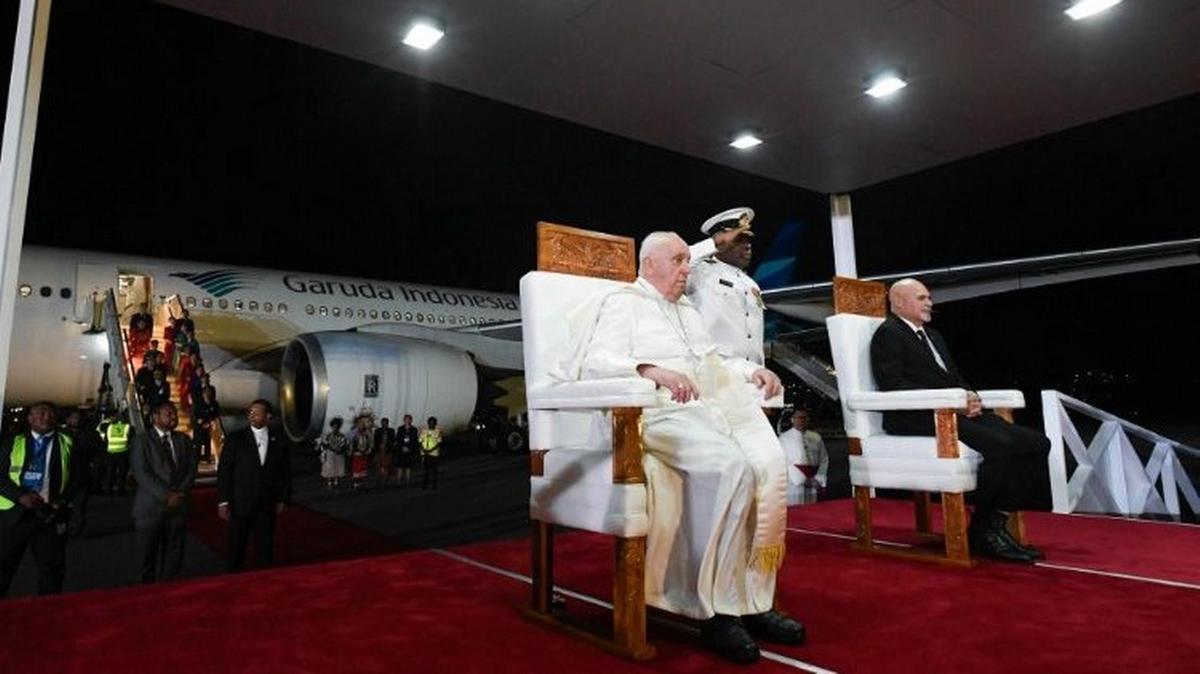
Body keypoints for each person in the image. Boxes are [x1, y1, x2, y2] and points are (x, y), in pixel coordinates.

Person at [556, 231, 803, 663]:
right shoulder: (623, 304)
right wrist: (653, 370)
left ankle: (751, 601)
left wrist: (750, 373)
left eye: (688, 260)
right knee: (732, 467)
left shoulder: (685, 309)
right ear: (649, 265)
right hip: (653, 415)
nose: (688, 268)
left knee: (766, 464)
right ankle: (714, 612)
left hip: (703, 414)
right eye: (679, 260)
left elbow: (711, 361)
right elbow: (596, 361)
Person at [870, 278, 1050, 563]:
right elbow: (892, 384)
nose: (930, 302)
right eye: (921, 298)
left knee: (1037, 443)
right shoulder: (888, 334)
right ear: (899, 303)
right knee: (1001, 446)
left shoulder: (934, 336)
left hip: (953, 410)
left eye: (929, 297)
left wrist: (970, 396)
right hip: (916, 416)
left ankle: (991, 523)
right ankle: (985, 533)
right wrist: (952, 398)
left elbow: (953, 378)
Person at [0, 402, 85, 598]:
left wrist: (62, 501)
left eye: (50, 414)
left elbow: (80, 479)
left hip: (50, 515)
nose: (45, 417)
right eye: (40, 413)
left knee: (52, 571)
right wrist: (20, 496)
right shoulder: (12, 442)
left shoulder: (69, 442)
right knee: (3, 565)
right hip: (15, 516)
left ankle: (49, 614)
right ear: (29, 418)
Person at [217, 400, 292, 572]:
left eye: (257, 413)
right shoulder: (235, 439)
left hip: (266, 504)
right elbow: (224, 472)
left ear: (268, 416)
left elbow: (285, 472)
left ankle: (263, 581)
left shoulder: (279, 439)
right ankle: (234, 580)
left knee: (264, 548)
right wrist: (223, 501)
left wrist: (283, 498)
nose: (252, 416)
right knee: (236, 547)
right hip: (240, 503)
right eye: (250, 412)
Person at [686, 207, 766, 365]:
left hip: (753, 374)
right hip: (716, 369)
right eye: (738, 239)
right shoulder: (699, 271)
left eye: (748, 240)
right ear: (720, 242)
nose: (747, 245)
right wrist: (713, 243)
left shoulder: (751, 284)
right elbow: (672, 262)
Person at [130, 401, 197, 583]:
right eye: (168, 413)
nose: (174, 417)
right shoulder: (142, 441)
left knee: (173, 557)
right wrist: (166, 495)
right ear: (155, 418)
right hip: (149, 509)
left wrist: (180, 492)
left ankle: (169, 592)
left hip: (177, 508)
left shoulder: (183, 440)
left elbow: (191, 469)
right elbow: (141, 472)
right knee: (147, 558)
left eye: (174, 413)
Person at [778, 409, 829, 505]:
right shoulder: (784, 438)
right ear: (792, 419)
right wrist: (803, 479)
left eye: (805, 418)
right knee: (796, 510)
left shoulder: (816, 437)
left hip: (814, 480)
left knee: (812, 510)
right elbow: (783, 461)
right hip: (794, 481)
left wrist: (819, 477)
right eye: (799, 417)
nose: (802, 420)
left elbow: (824, 459)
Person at [102, 412, 131, 495]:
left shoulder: (110, 427)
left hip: (111, 452)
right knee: (122, 472)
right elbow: (131, 439)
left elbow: (106, 439)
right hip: (123, 452)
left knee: (110, 472)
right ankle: (120, 490)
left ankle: (108, 489)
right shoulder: (127, 427)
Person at [318, 417, 348, 490]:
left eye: (337, 426)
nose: (335, 428)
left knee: (337, 467)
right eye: (334, 426)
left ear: (339, 427)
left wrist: (340, 450)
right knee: (329, 468)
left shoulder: (342, 436)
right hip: (330, 453)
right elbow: (325, 444)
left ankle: (336, 481)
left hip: (338, 454)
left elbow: (344, 445)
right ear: (332, 426)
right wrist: (331, 449)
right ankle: (329, 482)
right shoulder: (328, 435)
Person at [348, 415, 373, 489]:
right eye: (360, 423)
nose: (361, 425)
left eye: (362, 423)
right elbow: (352, 443)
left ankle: (360, 483)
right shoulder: (354, 432)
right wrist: (356, 450)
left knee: (362, 468)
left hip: (364, 454)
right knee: (357, 469)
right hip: (357, 453)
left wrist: (367, 450)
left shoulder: (367, 433)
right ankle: (356, 483)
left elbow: (369, 443)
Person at [394, 414, 419, 485]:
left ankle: (407, 481)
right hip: (401, 451)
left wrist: (409, 448)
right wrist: (402, 447)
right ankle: (398, 481)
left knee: (408, 467)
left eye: (409, 419)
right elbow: (397, 439)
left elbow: (414, 441)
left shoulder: (414, 429)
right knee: (400, 466)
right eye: (406, 419)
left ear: (411, 420)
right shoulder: (400, 429)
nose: (407, 421)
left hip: (409, 451)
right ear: (404, 420)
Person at [419, 417, 442, 491]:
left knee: (434, 471)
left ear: (435, 423)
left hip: (434, 454)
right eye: (430, 422)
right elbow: (420, 441)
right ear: (428, 423)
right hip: (425, 453)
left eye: (433, 422)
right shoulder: (424, 431)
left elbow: (439, 443)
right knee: (426, 471)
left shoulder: (437, 432)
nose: (431, 424)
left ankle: (434, 485)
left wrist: (431, 450)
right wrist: (423, 449)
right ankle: (425, 485)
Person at [374, 417, 395, 486]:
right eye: (383, 423)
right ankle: (378, 482)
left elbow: (393, 441)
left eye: (385, 423)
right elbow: (375, 441)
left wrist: (388, 448)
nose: (384, 424)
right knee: (378, 467)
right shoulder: (377, 431)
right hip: (379, 452)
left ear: (387, 423)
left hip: (388, 452)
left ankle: (385, 482)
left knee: (386, 466)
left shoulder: (391, 431)